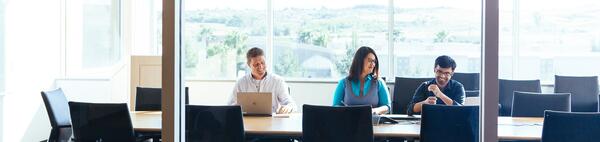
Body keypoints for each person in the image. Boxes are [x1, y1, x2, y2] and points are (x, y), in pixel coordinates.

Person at [227, 47, 296, 114]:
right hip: (247, 122)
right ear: (249, 65)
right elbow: (229, 106)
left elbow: (291, 104)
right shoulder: (241, 83)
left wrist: (288, 107)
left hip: (272, 121)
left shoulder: (278, 81)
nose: (260, 67)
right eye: (256, 65)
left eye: (263, 63)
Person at [332, 46, 391, 115]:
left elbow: (387, 107)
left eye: (374, 61)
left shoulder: (379, 82)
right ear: (359, 61)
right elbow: (335, 107)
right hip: (348, 123)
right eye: (369, 60)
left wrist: (375, 111)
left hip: (373, 123)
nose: (373, 64)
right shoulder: (343, 83)